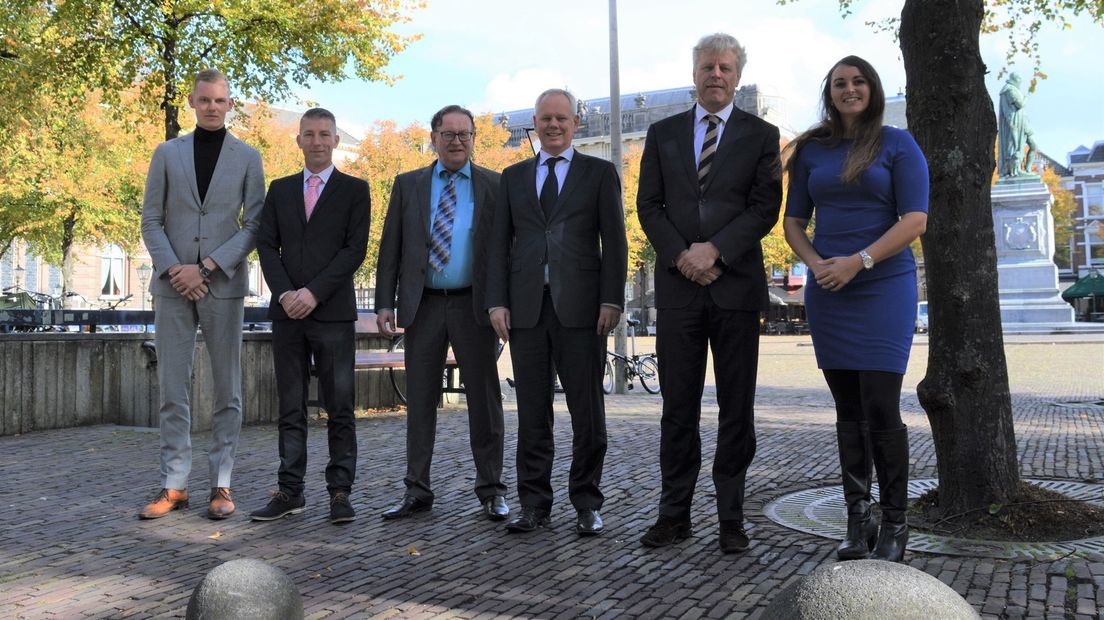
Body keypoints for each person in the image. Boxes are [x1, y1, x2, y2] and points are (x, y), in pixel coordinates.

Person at [636, 33, 782, 553]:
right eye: (706, 66)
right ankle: (673, 515)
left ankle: (731, 519)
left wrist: (714, 251)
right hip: (679, 293)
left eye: (724, 67)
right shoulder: (663, 133)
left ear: (737, 75)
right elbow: (648, 205)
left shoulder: (763, 135)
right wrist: (682, 255)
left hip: (736, 290)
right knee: (677, 408)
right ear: (693, 72)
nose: (715, 74)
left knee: (735, 409)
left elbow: (765, 208)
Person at [782, 56, 928, 562]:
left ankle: (895, 524)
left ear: (873, 88)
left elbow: (915, 220)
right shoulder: (811, 150)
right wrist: (819, 264)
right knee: (847, 410)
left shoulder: (897, 144)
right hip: (831, 290)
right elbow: (793, 222)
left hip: (883, 284)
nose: (849, 90)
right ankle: (856, 520)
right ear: (830, 92)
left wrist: (859, 261)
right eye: (840, 83)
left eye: (858, 82)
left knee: (881, 405)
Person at [486, 88, 627, 537]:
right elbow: (497, 245)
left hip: (584, 310)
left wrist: (612, 299)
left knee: (587, 411)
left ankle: (586, 502)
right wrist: (496, 301)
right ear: (535, 122)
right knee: (531, 412)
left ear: (575, 124)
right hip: (526, 311)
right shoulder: (513, 177)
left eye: (561, 118)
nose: (553, 125)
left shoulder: (600, 173)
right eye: (545, 118)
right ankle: (534, 504)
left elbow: (616, 241)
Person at [139, 69, 265, 521]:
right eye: (205, 99)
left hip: (223, 284)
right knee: (173, 388)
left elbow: (254, 225)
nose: (212, 106)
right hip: (172, 285)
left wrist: (208, 266)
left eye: (220, 100)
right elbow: (150, 219)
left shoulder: (249, 157)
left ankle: (221, 484)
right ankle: (174, 485)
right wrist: (176, 269)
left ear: (230, 105)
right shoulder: (166, 153)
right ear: (192, 102)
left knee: (227, 389)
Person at [374, 105, 508, 522]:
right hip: (424, 305)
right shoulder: (408, 185)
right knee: (420, 402)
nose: (456, 141)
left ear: (473, 139)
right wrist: (383, 303)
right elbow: (390, 249)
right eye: (447, 134)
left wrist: (503, 303)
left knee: (485, 402)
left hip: (475, 307)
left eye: (464, 134)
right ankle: (417, 491)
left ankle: (491, 490)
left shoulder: (494, 185)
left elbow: (505, 251)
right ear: (432, 138)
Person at [250, 108, 370, 524]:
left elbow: (354, 251)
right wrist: (285, 293)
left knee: (340, 406)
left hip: (332, 314)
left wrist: (313, 293)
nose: (317, 141)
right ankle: (290, 492)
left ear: (336, 140)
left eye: (324, 134)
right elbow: (266, 246)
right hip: (287, 316)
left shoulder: (356, 190)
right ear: (298, 141)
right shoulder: (280, 190)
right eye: (309, 134)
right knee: (290, 407)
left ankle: (340, 492)